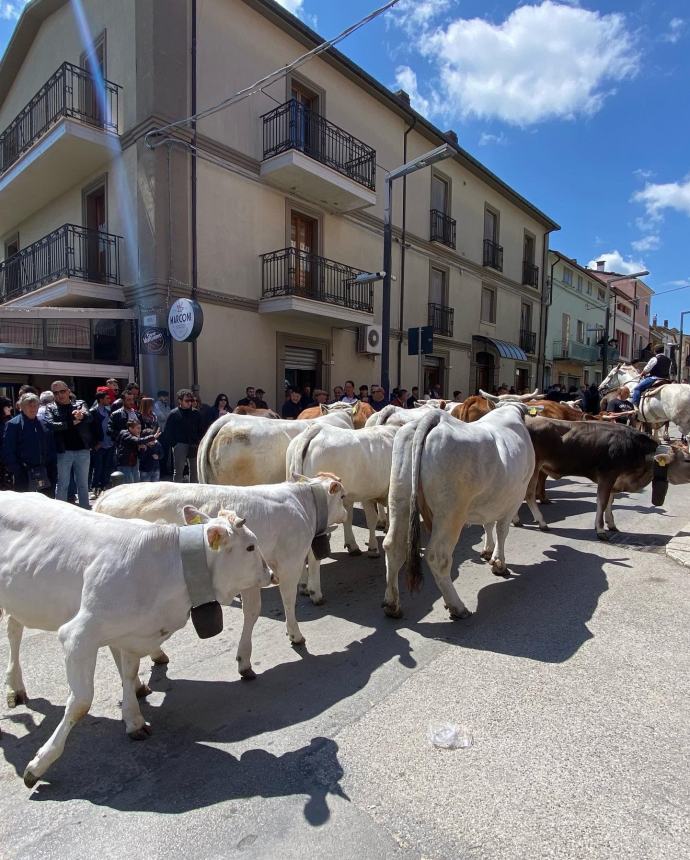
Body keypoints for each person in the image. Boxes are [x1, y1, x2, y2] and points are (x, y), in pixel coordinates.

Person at [43, 380, 93, 508]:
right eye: (56, 392)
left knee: (82, 484)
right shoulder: (51, 407)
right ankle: (60, 512)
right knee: (63, 484)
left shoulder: (80, 403)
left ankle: (85, 510)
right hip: (63, 451)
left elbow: (90, 416)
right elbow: (51, 425)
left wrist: (81, 416)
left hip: (82, 450)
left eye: (62, 391)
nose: (60, 395)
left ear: (69, 391)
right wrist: (71, 423)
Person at [2, 393, 56, 495]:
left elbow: (51, 448)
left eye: (35, 405)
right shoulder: (13, 424)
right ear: (22, 407)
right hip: (24, 475)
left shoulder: (44, 423)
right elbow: (8, 451)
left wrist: (53, 469)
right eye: (29, 405)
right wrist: (18, 471)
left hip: (45, 472)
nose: (33, 408)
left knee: (46, 505)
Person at [164, 388, 204, 482]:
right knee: (178, 471)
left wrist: (198, 441)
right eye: (187, 401)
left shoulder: (196, 413)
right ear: (180, 401)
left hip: (194, 444)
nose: (189, 403)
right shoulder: (174, 414)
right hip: (180, 445)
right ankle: (176, 492)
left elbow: (201, 429)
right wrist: (175, 444)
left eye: (191, 400)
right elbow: (168, 431)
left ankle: (194, 492)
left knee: (194, 471)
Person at [89, 389, 114, 496]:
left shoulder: (108, 411)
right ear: (100, 399)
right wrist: (95, 443)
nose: (109, 400)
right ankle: (95, 488)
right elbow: (89, 430)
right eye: (107, 398)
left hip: (109, 444)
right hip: (99, 446)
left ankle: (104, 487)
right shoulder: (92, 412)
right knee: (97, 468)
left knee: (107, 467)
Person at [115, 418, 145, 483]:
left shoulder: (138, 436)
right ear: (130, 428)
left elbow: (140, 456)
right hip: (125, 464)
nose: (140, 430)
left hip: (134, 464)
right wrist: (152, 437)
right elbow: (134, 440)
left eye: (140, 428)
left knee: (136, 483)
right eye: (138, 428)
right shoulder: (124, 433)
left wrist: (141, 448)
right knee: (128, 485)